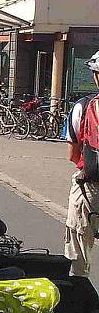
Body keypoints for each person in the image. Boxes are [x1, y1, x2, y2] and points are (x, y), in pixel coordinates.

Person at [64, 51, 99, 276]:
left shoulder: (83, 107)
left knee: (77, 238)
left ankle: (79, 290)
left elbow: (73, 154)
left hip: (90, 186)